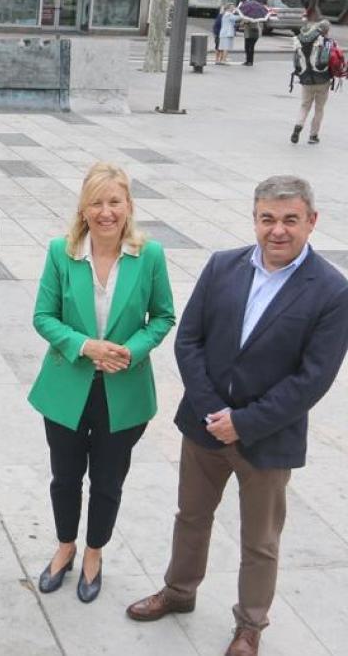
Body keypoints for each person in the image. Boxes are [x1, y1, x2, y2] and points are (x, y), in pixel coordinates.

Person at [126, 176, 348, 656]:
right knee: (191, 516)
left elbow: (312, 380)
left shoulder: (332, 291)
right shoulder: (222, 266)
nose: (278, 230)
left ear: (312, 221)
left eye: (290, 219)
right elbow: (189, 341)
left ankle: (250, 626)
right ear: (254, 219)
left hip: (268, 441)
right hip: (205, 428)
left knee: (261, 539)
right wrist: (214, 411)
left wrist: (243, 423)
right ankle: (179, 592)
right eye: (267, 218)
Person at [28, 163, 175, 604]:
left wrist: (131, 349)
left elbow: (163, 316)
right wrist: (85, 345)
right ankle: (65, 547)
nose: (106, 212)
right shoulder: (62, 251)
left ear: (128, 205)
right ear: (84, 208)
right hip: (67, 388)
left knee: (108, 479)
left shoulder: (149, 255)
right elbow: (43, 317)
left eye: (115, 201)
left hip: (123, 390)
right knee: (65, 477)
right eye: (97, 202)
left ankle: (94, 553)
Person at [291, 19, 333, 145]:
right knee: (319, 108)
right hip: (323, 79)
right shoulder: (327, 42)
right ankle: (313, 136)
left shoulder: (300, 39)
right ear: (327, 30)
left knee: (304, 106)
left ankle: (298, 126)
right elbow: (330, 60)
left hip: (306, 78)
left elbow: (296, 61)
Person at [242, 0, 265, 66]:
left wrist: (246, 21)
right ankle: (248, 60)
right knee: (247, 47)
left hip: (253, 32)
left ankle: (250, 61)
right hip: (249, 32)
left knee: (250, 47)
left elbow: (254, 23)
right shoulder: (250, 15)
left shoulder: (257, 15)